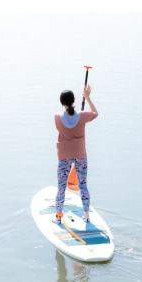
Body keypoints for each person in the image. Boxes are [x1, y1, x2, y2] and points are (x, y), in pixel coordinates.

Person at [54, 86, 98, 224]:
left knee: (61, 186)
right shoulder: (83, 115)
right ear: (74, 101)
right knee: (83, 185)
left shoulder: (57, 117)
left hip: (64, 156)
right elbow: (95, 113)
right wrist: (88, 97)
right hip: (80, 154)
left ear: (62, 103)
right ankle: (86, 215)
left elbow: (66, 121)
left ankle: (59, 217)